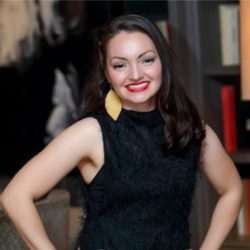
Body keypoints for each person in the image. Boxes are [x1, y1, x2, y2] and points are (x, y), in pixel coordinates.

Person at [0, 14, 243, 250]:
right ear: (107, 73)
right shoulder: (92, 133)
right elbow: (15, 196)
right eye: (120, 65)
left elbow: (232, 189)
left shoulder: (189, 129)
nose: (135, 74)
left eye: (146, 60)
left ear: (162, 63)